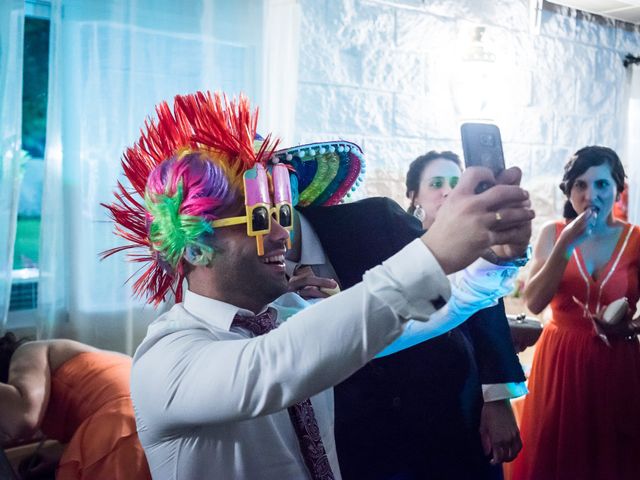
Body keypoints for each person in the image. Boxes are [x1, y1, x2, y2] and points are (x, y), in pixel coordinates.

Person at [103, 90, 534, 479]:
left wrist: (489, 262)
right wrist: (437, 249)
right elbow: (275, 366)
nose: (280, 236)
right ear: (195, 247)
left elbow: (420, 318)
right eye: (257, 220)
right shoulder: (167, 359)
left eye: (283, 215)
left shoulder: (288, 316)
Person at [284, 146, 528, 479]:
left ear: (291, 187)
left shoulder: (375, 221)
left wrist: (496, 394)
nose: (263, 226)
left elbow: (458, 280)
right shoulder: (244, 286)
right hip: (359, 444)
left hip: (445, 406)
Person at [511, 146, 640, 480]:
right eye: (580, 185)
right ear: (569, 192)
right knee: (557, 449)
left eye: (601, 184)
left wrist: (631, 326)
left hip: (618, 361)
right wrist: (566, 245)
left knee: (614, 455)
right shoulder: (554, 234)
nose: (590, 194)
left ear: (618, 188)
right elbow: (535, 303)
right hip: (560, 360)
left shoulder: (636, 239)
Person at [0, 332, 151, 479]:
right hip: (151, 423)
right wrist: (57, 463)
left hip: (119, 425)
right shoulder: (99, 358)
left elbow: (23, 418)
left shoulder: (26, 351)